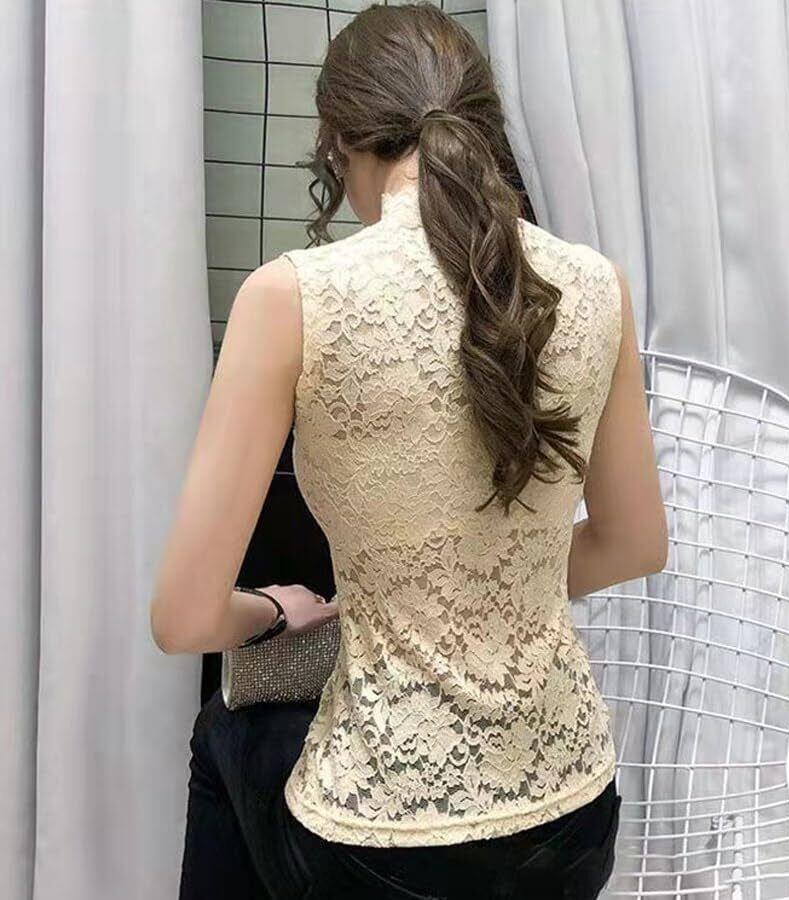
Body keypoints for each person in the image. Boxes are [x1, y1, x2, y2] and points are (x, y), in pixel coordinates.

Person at [150, 3, 668, 898]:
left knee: (224, 734)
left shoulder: (292, 296)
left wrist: (275, 611)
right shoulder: (596, 285)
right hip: (575, 823)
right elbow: (634, 544)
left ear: (339, 142)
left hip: (383, 851)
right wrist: (484, 585)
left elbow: (185, 620)